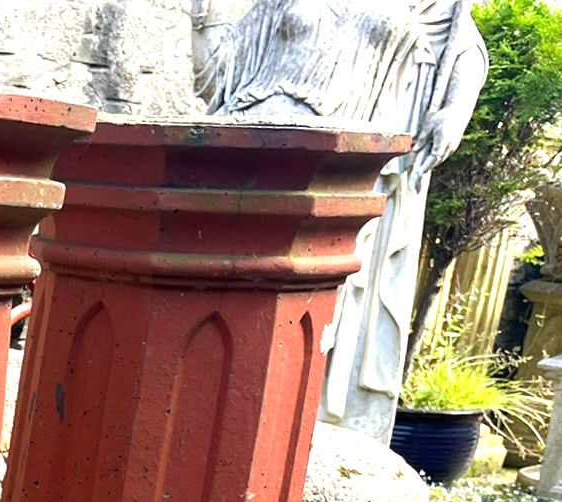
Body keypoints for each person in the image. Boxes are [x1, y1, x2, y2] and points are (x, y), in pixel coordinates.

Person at [192, 0, 489, 440]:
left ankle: (316, 420)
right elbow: (220, 70)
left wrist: (455, 109)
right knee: (240, 292)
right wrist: (204, 15)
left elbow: (458, 40)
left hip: (362, 163)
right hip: (266, 150)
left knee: (341, 293)